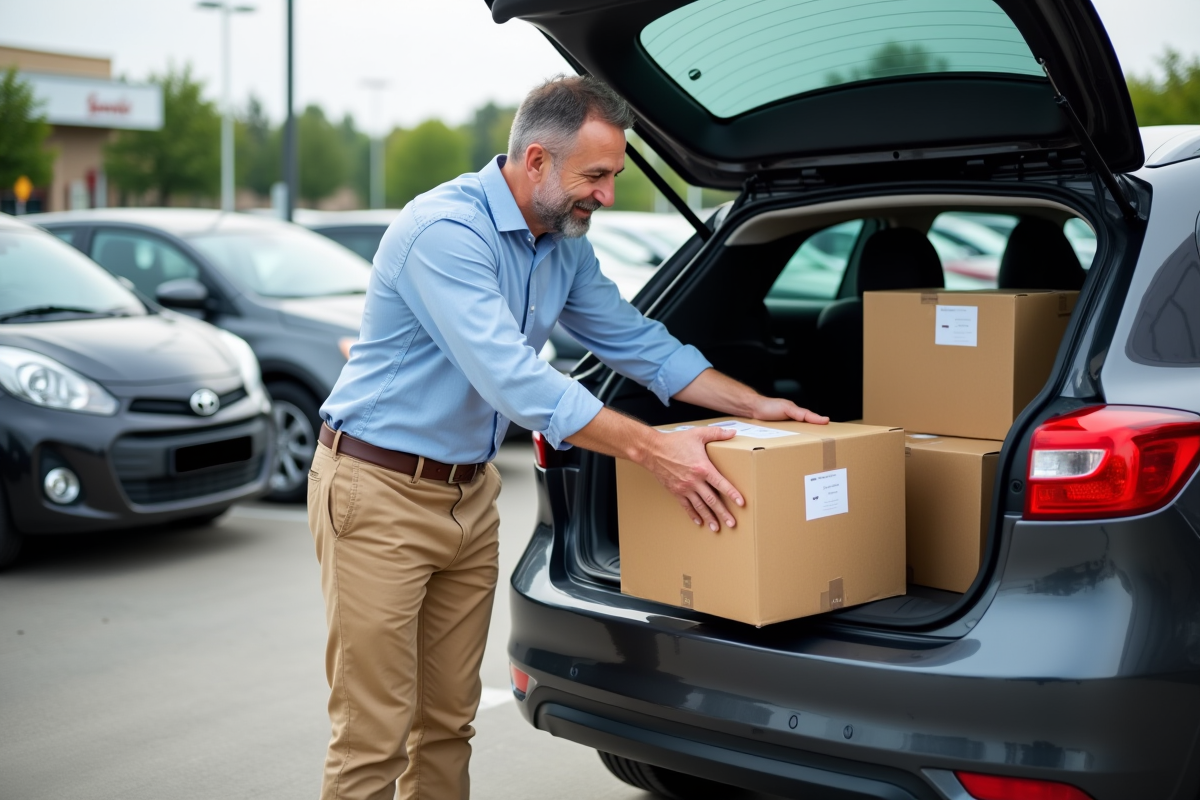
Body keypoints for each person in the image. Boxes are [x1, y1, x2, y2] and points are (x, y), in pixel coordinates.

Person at [309, 75, 828, 800]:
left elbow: (639, 343)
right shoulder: (444, 234)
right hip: (380, 493)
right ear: (535, 163)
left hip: (469, 495)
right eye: (596, 176)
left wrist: (756, 404)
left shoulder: (561, 244)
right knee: (374, 734)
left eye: (613, 175)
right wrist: (655, 450)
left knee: (449, 722)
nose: (607, 195)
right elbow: (515, 380)